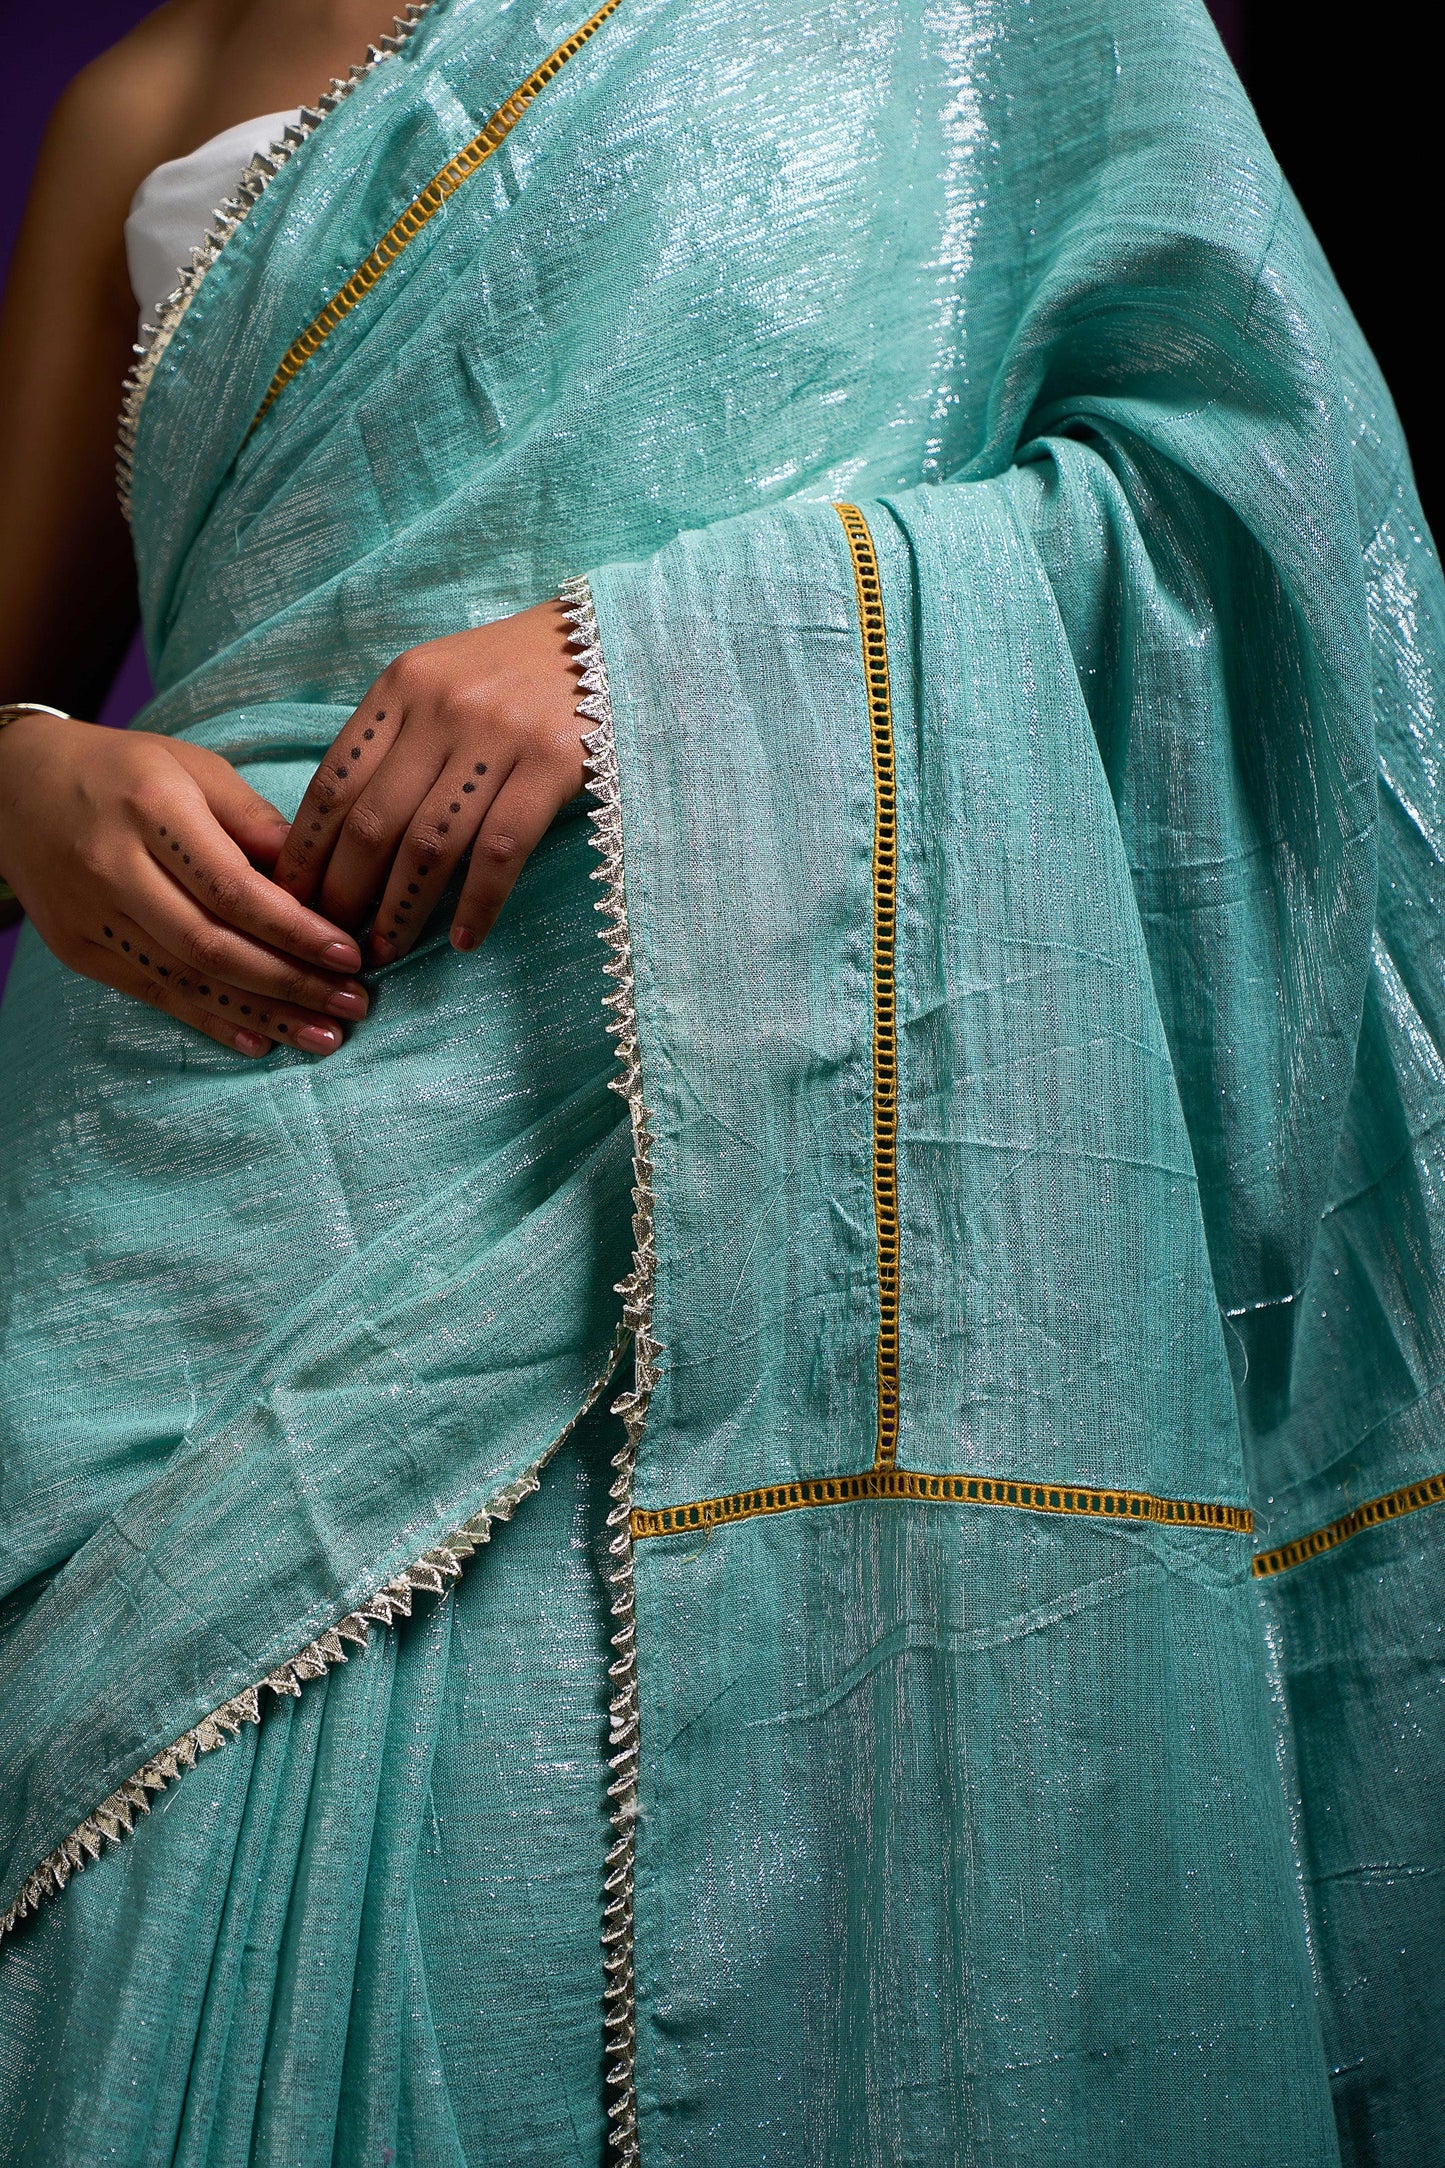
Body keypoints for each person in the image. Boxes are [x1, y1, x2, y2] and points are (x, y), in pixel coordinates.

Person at [0, 0, 1441, 2159]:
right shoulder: (149, 88)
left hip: (742, 1170)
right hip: (173, 1193)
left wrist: (664, 656)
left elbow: (1264, 517)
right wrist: (22, 779)